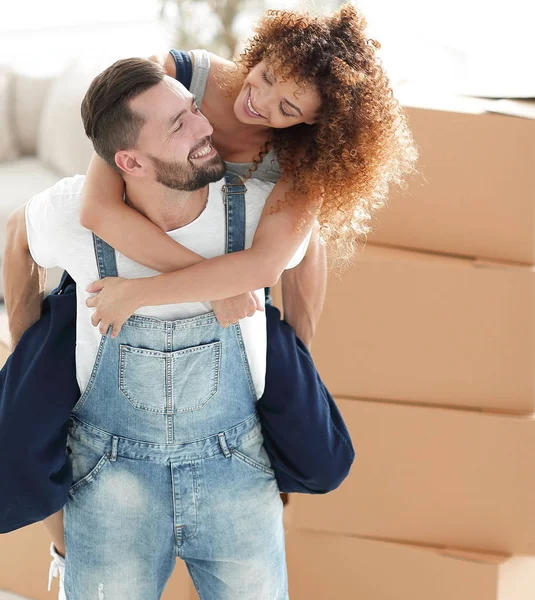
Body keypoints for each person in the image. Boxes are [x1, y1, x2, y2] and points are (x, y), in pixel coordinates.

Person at [6, 57, 313, 599]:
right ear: (129, 160)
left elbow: (313, 250)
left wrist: (299, 366)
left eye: (194, 109)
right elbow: (17, 240)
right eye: (178, 124)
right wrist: (26, 356)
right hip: (108, 480)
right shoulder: (74, 212)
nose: (205, 127)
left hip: (237, 471)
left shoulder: (261, 209)